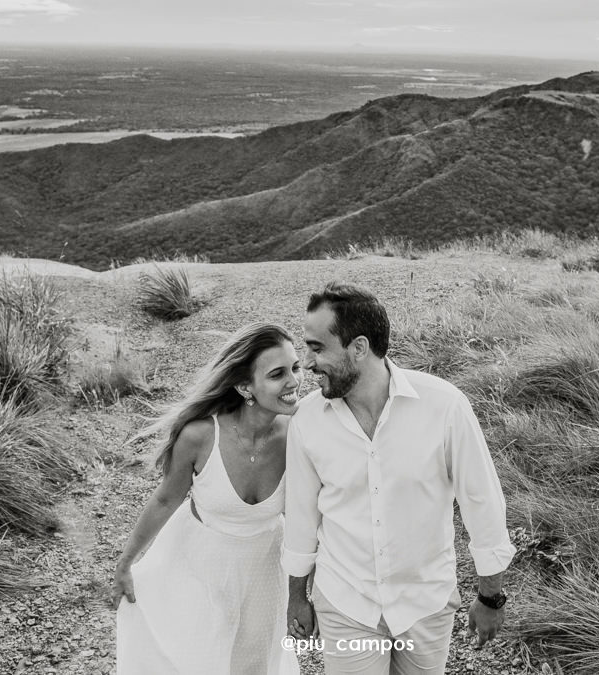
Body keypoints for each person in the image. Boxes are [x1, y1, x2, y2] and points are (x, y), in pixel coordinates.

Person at [283, 283, 516, 675]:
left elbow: (482, 502)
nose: (307, 363)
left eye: (317, 348)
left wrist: (491, 596)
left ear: (359, 347)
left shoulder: (444, 406)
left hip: (426, 603)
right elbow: (301, 516)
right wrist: (296, 596)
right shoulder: (307, 419)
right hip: (346, 602)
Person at [111, 322, 302, 675]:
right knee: (201, 662)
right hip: (200, 569)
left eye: (296, 367)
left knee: (256, 664)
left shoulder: (299, 434)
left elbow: (306, 516)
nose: (293, 381)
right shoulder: (200, 436)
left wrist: (305, 589)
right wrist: (125, 564)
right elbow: (165, 500)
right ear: (245, 386)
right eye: (277, 374)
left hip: (266, 569)